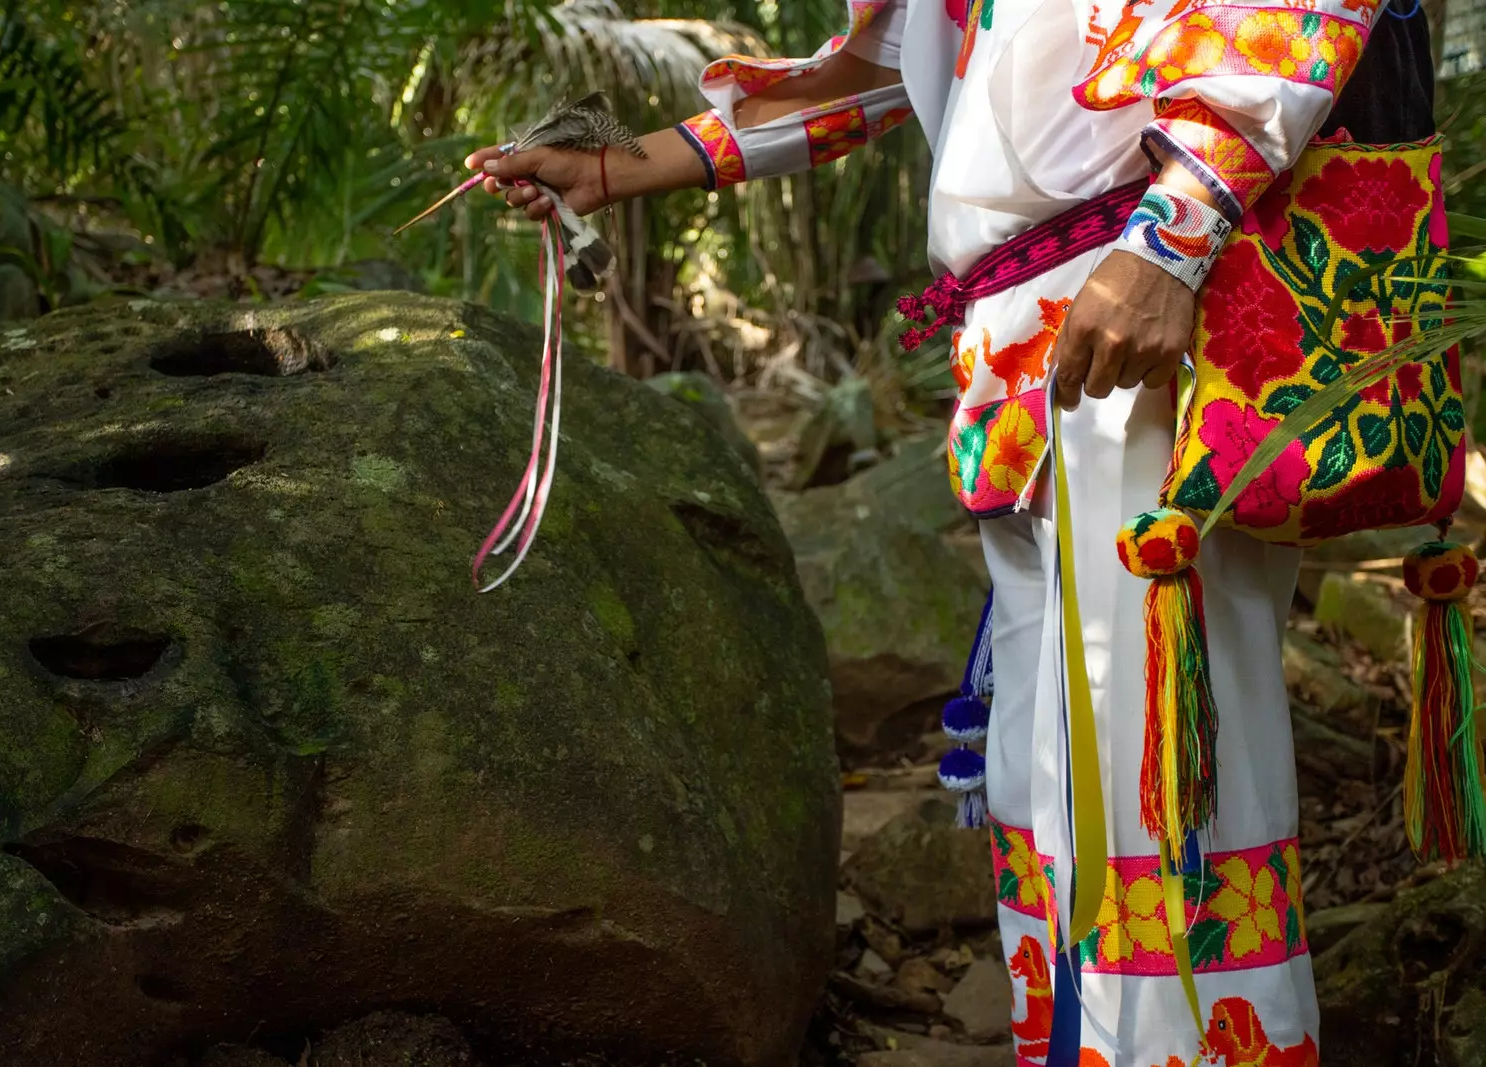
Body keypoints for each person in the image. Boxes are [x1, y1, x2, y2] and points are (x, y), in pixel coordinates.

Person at [465, 2, 1435, 1063]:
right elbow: (890, 78)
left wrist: (1174, 241)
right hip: (1027, 345)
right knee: (1044, 774)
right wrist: (621, 167)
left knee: (1152, 773)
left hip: (1148, 322)